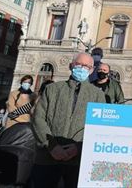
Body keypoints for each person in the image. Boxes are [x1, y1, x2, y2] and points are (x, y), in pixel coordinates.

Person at [31, 52, 105, 187]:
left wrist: (79, 147)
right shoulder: (52, 89)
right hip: (48, 157)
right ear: (71, 66)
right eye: (79, 65)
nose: (82, 69)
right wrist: (52, 146)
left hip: (78, 161)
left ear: (92, 70)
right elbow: (38, 118)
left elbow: (100, 129)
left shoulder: (98, 96)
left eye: (87, 66)